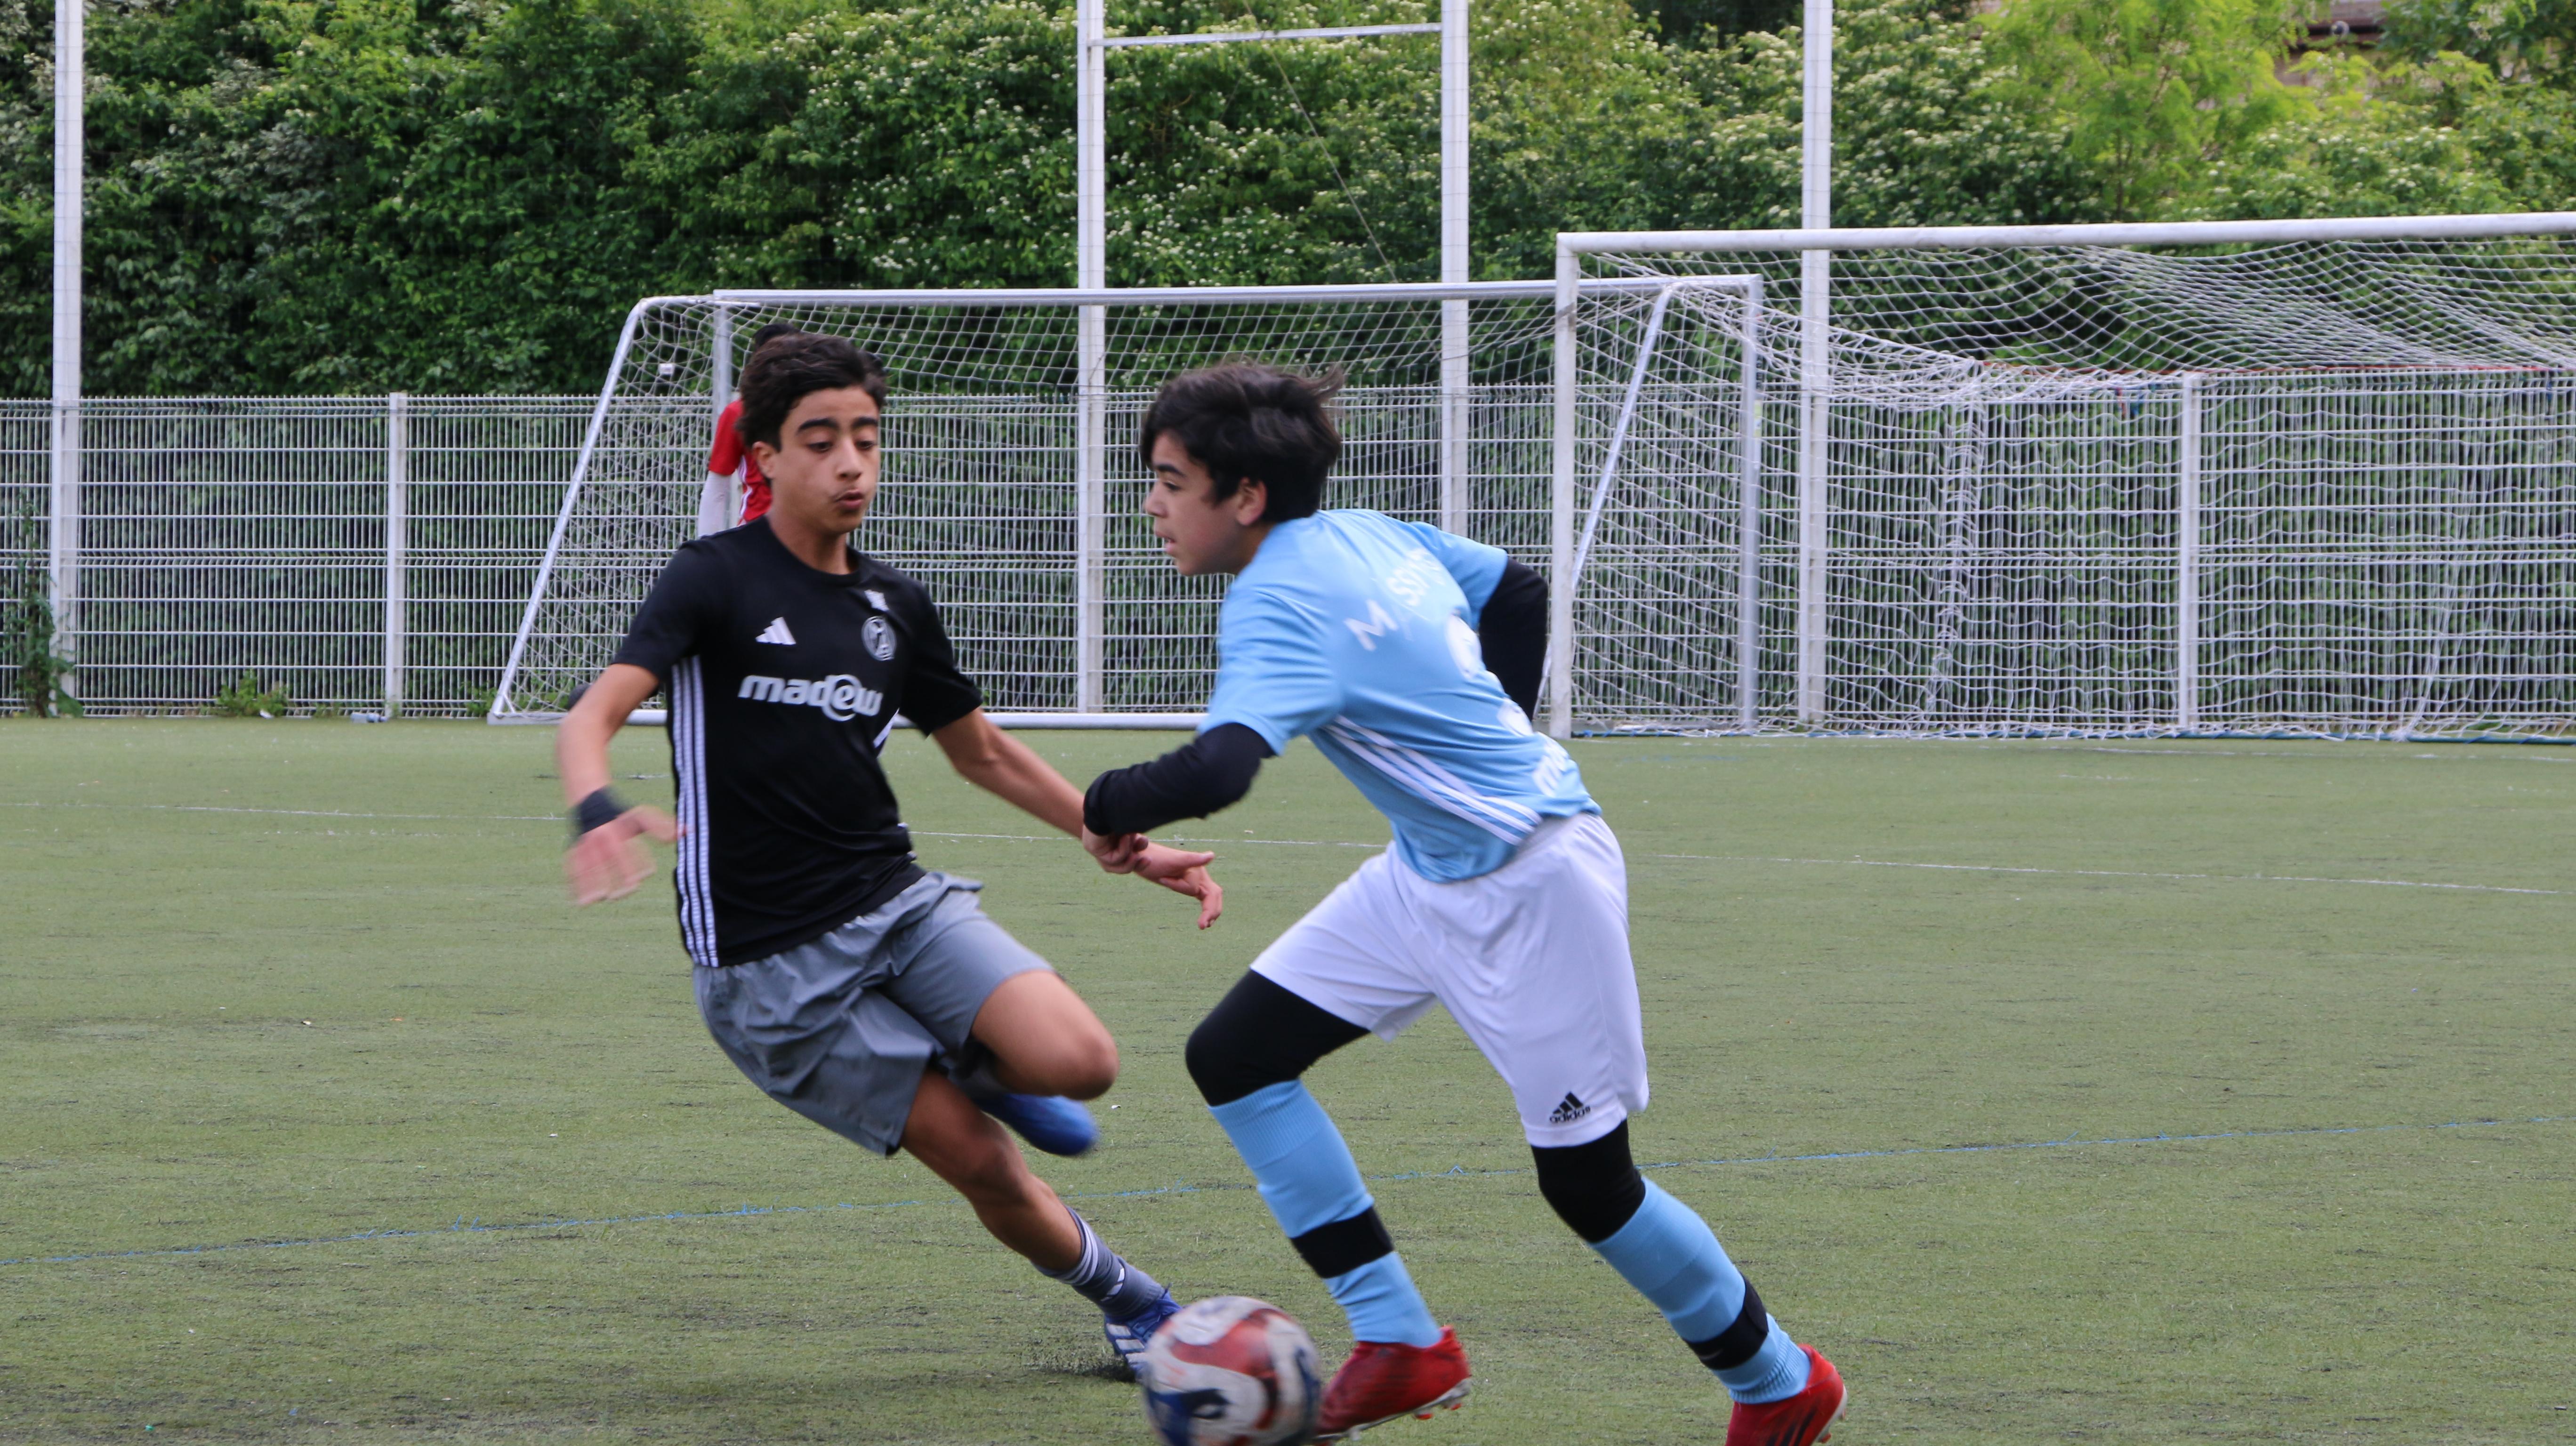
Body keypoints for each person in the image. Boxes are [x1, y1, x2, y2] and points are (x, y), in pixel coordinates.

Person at [1077, 364, 1848, 1444]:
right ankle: (1399, 1340)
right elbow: (1517, 592)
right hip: (1427, 870)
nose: (1151, 505)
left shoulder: (1276, 598)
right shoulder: (1368, 534)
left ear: (1244, 495)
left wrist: (1103, 804)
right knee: (1237, 1056)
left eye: (1168, 481)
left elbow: (1219, 770)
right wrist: (1496, 744)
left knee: (1591, 1186)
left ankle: (1779, 1382)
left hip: (1536, 881)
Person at [559, 331, 1223, 1378]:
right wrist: (593, 803)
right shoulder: (711, 578)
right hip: (771, 970)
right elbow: (592, 713)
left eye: (866, 439)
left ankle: (967, 1061)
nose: (850, 463)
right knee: (985, 1166)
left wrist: (1119, 842)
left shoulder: (893, 604)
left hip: (895, 902)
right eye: (820, 440)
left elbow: (983, 752)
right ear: (766, 456)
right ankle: (1138, 1306)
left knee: (1083, 1063)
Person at [698, 321, 805, 534]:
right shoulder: (738, 412)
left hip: (808, 536)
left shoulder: (816, 410)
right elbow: (717, 485)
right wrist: (705, 546)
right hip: (757, 533)